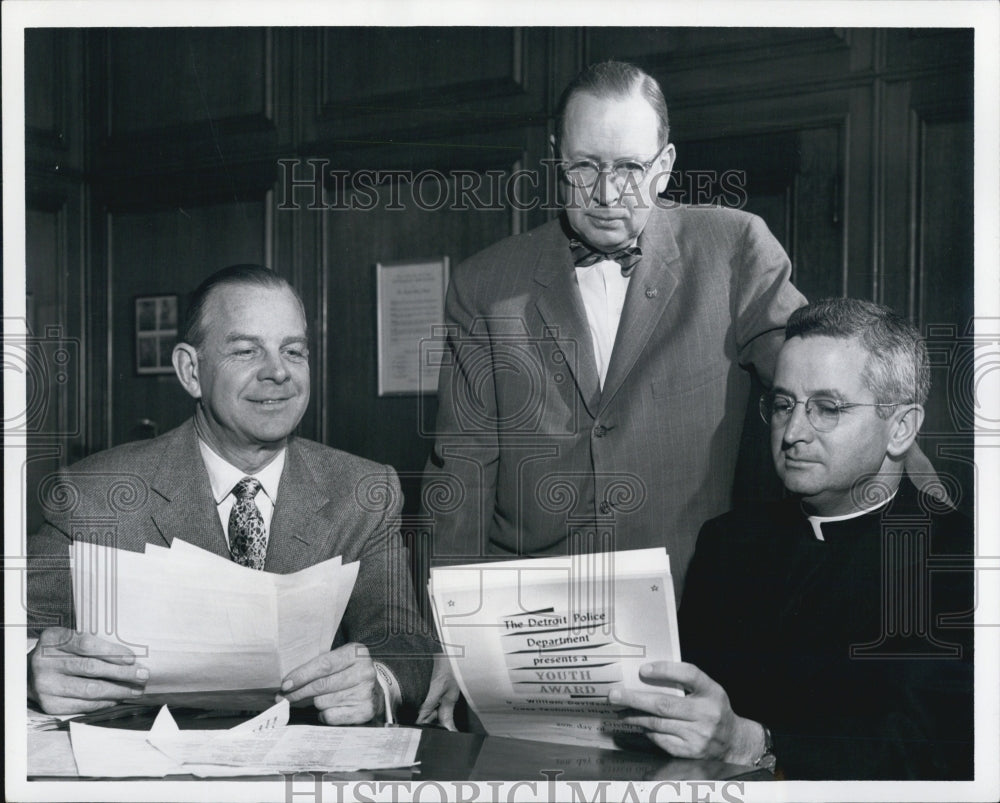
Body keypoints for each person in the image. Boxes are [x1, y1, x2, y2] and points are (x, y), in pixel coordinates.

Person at [421, 60, 806, 590]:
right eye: (584, 167)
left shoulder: (734, 249)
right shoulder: (484, 284)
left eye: (629, 168)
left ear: (665, 164)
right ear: (557, 156)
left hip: (691, 597)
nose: (606, 195)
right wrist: (454, 630)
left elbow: (826, 376)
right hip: (535, 614)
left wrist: (921, 497)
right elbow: (462, 474)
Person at [27, 265, 435, 724]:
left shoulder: (363, 492)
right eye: (246, 350)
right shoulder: (94, 495)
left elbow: (402, 637)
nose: (278, 372)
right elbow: (22, 630)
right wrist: (29, 669)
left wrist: (378, 681)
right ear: (190, 370)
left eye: (294, 351)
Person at [609, 298, 973, 780]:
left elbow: (937, 753)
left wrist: (754, 744)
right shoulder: (728, 542)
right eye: (783, 405)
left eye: (828, 408)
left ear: (901, 427)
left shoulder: (958, 556)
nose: (792, 432)